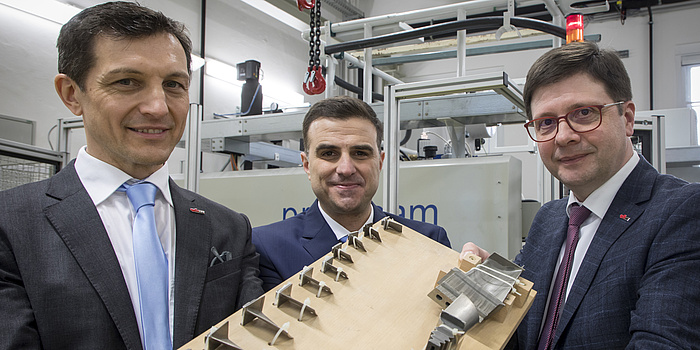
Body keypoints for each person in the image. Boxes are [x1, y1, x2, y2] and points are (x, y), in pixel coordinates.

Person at [0, 2, 263, 349]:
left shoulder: (228, 228)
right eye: (127, 82)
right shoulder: (12, 225)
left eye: (173, 84)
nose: (158, 107)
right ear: (71, 94)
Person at [462, 41, 700, 349]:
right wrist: (488, 283)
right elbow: (521, 335)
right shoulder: (548, 219)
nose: (563, 136)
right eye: (546, 123)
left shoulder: (681, 212)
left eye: (584, 113)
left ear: (627, 118)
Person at [253, 96, 451, 291]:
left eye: (360, 153)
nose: (346, 169)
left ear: (380, 162)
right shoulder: (267, 247)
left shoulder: (428, 241)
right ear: (306, 165)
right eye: (329, 153)